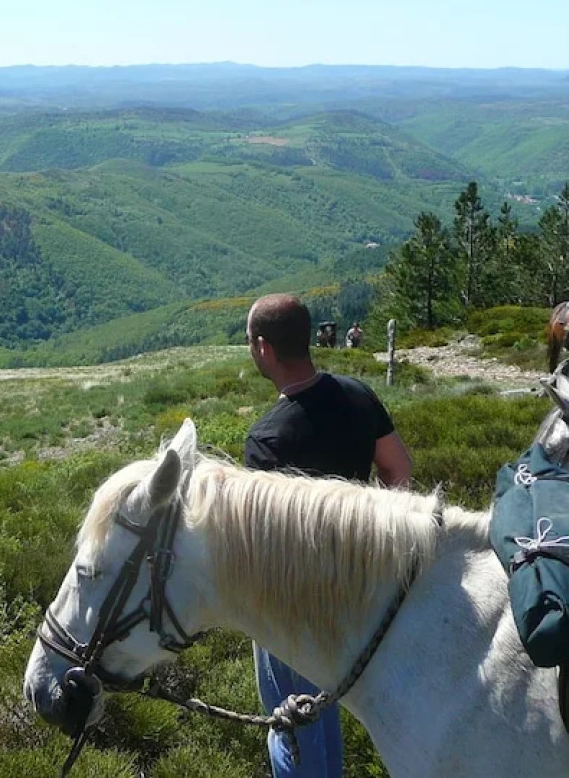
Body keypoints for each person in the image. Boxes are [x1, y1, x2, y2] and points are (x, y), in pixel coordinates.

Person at [242, 294, 412, 778]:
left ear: (263, 348)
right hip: (363, 585)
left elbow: (264, 548)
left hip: (296, 606)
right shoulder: (358, 395)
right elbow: (399, 470)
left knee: (295, 726)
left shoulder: (267, 439)